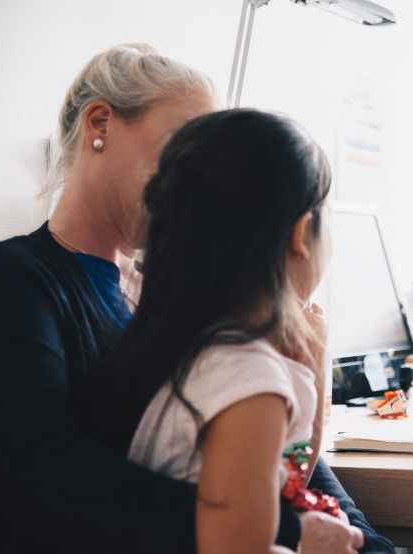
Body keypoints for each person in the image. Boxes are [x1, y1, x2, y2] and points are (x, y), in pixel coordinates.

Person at [0, 43, 391, 554]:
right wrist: (284, 529)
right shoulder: (8, 284)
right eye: (182, 150)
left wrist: (366, 543)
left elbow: (261, 446)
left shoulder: (185, 295)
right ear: (100, 124)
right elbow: (41, 477)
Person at [80, 107, 339, 554]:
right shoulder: (249, 380)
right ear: (300, 233)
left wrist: (312, 367)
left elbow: (287, 479)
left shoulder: (182, 346)